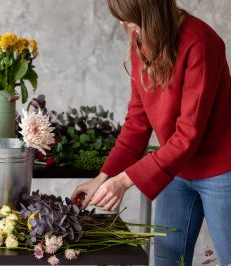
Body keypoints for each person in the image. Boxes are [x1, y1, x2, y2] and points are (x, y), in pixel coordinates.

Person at [71, 0, 231, 265]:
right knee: (167, 257)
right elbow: (138, 120)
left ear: (152, 13)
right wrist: (104, 176)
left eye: (131, 19)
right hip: (175, 168)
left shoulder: (200, 43)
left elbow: (188, 135)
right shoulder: (141, 39)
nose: (125, 25)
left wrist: (123, 181)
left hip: (221, 170)